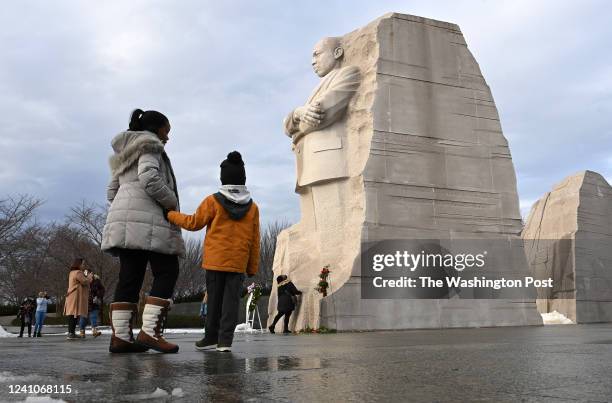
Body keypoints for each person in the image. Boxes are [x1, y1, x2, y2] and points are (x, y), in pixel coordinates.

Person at [101, 109, 185, 354]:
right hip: (149, 219)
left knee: (130, 277)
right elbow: (149, 178)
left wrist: (126, 207)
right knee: (167, 270)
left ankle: (122, 338)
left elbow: (110, 192)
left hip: (124, 219)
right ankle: (150, 333)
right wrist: (171, 202)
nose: (167, 137)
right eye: (166, 131)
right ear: (156, 129)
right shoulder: (150, 145)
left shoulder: (125, 153)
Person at [166, 151, 260, 352]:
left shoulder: (213, 201)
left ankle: (210, 337)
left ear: (223, 178)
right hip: (238, 263)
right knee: (231, 303)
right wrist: (251, 267)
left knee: (214, 301)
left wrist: (171, 215)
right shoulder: (252, 207)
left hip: (215, 261)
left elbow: (193, 223)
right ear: (242, 178)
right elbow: (255, 240)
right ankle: (225, 341)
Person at [64, 258, 92, 340]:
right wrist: (89, 277)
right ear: (78, 264)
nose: (84, 265)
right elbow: (84, 281)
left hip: (71, 295)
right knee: (74, 314)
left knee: (72, 314)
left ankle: (71, 332)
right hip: (75, 296)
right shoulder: (78, 272)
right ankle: (71, 333)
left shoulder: (72, 272)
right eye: (83, 264)